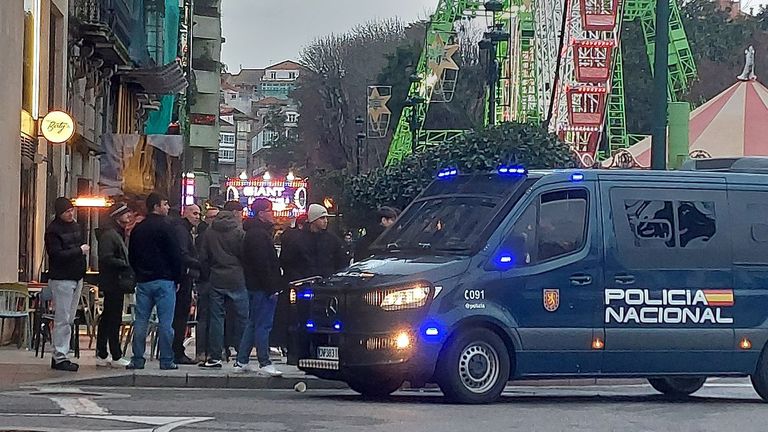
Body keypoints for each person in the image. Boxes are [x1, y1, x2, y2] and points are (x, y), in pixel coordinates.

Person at [127, 192, 182, 370]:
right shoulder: (168, 227)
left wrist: (138, 273)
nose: (167, 208)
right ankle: (166, 359)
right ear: (156, 206)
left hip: (143, 280)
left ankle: (137, 358)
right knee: (165, 322)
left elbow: (132, 255)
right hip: (165, 280)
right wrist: (178, 276)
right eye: (165, 204)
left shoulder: (138, 229)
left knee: (141, 320)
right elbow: (175, 254)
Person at [235, 199, 285, 376]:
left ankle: (242, 360)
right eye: (270, 210)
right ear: (262, 214)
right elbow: (263, 264)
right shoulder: (259, 235)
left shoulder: (253, 233)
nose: (273, 214)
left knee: (253, 323)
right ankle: (264, 361)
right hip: (262, 287)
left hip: (254, 285)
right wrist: (272, 287)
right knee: (263, 325)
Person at [197, 201, 249, 369]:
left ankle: (215, 356)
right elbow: (244, 254)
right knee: (242, 317)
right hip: (237, 277)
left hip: (216, 277)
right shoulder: (238, 232)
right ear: (234, 213)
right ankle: (241, 356)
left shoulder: (209, 232)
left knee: (216, 318)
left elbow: (203, 257)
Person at [44, 197, 88, 372]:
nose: (70, 214)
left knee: (69, 318)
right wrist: (79, 251)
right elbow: (56, 254)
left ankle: (61, 353)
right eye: (67, 212)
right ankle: (60, 355)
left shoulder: (75, 226)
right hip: (62, 278)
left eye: (71, 211)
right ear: (59, 213)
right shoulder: (53, 231)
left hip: (76, 276)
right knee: (62, 318)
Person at [95, 202, 134, 368]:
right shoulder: (110, 235)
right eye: (126, 214)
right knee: (113, 318)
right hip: (114, 281)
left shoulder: (115, 234)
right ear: (117, 217)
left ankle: (102, 352)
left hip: (113, 281)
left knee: (108, 317)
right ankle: (115, 354)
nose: (129, 217)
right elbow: (106, 257)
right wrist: (125, 264)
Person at [171, 204, 202, 365]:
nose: (197, 216)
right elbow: (183, 254)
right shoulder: (182, 230)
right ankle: (176, 351)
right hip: (183, 278)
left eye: (199, 214)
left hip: (180, 277)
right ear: (185, 213)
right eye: (194, 213)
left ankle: (174, 350)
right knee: (180, 315)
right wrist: (199, 264)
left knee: (179, 315)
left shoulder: (183, 229)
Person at [193, 205, 220, 364]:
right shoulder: (204, 236)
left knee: (213, 317)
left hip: (212, 279)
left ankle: (211, 350)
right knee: (205, 317)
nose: (214, 220)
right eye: (211, 217)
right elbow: (201, 259)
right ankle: (203, 351)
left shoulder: (212, 235)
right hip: (207, 280)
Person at [305, 204, 348, 278]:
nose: (326, 221)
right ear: (313, 220)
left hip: (328, 281)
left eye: (326, 218)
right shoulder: (301, 239)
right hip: (307, 281)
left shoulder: (333, 239)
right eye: (322, 218)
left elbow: (341, 260)